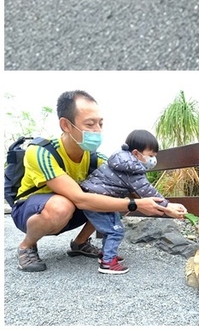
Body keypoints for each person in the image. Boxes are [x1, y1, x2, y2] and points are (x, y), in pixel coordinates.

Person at [10, 90, 180, 273]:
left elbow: (121, 187)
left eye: (100, 124)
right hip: (31, 210)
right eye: (90, 124)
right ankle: (27, 246)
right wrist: (134, 204)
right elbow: (80, 199)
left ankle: (80, 243)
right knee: (63, 205)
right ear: (66, 125)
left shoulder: (96, 158)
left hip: (72, 208)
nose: (97, 131)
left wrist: (161, 205)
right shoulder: (41, 152)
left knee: (112, 194)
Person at [79, 128, 187, 275]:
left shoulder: (122, 160)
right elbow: (147, 191)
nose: (153, 160)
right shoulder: (132, 168)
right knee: (116, 231)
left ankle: (106, 254)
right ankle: (107, 263)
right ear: (136, 153)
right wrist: (167, 205)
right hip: (97, 200)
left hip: (95, 196)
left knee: (113, 224)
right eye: (151, 155)